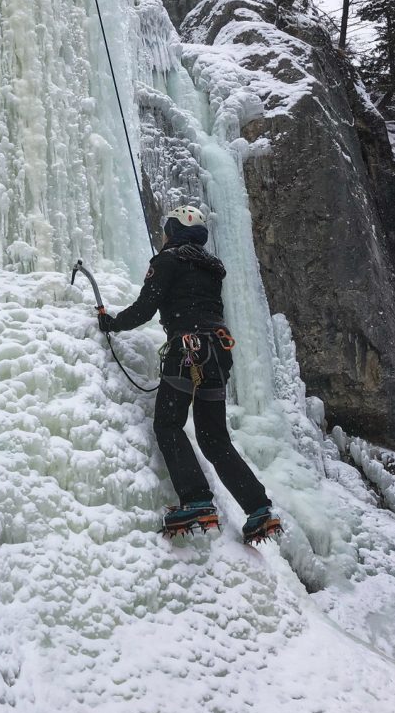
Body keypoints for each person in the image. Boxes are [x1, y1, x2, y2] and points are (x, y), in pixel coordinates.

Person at [98, 205, 281, 545]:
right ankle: (258, 509)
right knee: (214, 439)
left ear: (174, 229)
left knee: (167, 424)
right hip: (219, 353)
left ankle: (196, 499)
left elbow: (144, 309)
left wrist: (111, 323)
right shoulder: (211, 269)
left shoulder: (166, 262)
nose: (163, 235)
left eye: (166, 229)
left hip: (188, 352)